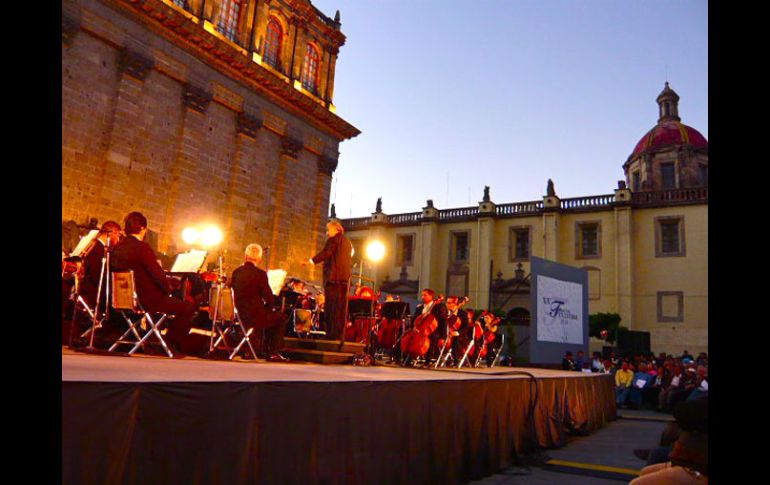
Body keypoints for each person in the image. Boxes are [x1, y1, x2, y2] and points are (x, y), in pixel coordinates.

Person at [110, 212, 196, 356]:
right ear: (143, 228)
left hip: (123, 299)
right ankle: (168, 344)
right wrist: (168, 289)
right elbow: (158, 274)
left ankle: (154, 340)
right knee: (188, 307)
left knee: (167, 300)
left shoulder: (118, 248)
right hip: (145, 300)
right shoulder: (142, 248)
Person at [230, 244, 289, 362]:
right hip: (254, 317)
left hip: (239, 315)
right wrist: (270, 307)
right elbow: (269, 298)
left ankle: (255, 348)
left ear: (245, 256)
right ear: (260, 259)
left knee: (266, 315)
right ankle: (273, 352)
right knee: (281, 317)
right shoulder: (260, 274)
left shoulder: (236, 272)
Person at [305, 220, 352, 340]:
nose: (327, 232)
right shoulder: (347, 242)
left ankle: (331, 336)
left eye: (329, 229)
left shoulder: (333, 240)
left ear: (336, 229)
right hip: (344, 281)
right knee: (340, 310)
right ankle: (339, 336)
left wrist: (311, 261)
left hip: (333, 280)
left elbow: (327, 252)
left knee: (331, 308)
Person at [413, 288, 448, 362]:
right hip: (419, 330)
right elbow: (415, 319)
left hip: (433, 330)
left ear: (431, 296)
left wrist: (443, 337)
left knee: (432, 336)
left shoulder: (438, 307)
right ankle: (407, 357)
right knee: (406, 335)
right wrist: (414, 327)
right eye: (422, 295)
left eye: (425, 295)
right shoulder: (419, 307)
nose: (422, 297)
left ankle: (428, 359)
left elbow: (443, 322)